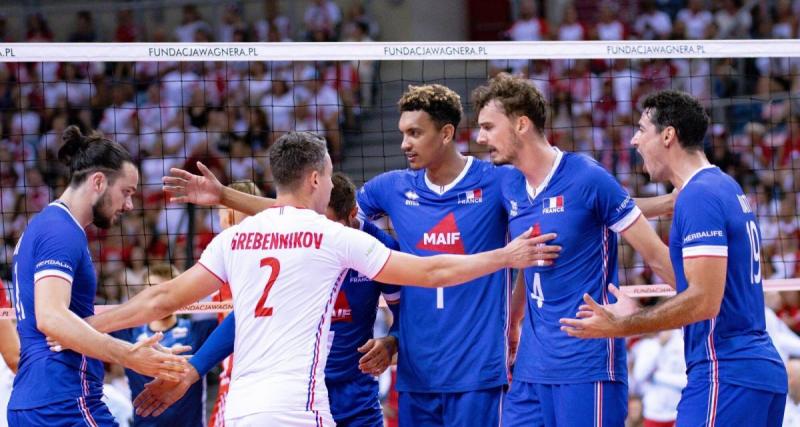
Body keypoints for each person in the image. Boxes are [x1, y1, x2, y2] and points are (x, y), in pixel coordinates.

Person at [160, 83, 673, 426]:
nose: (404, 142)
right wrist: (225, 196)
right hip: (416, 375)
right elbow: (306, 217)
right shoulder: (388, 190)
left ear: (446, 134)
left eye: (414, 133)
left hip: (481, 370)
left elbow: (585, 200)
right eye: (401, 132)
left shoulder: (499, 182)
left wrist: (663, 202)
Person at [79, 131, 560, 426]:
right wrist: (505, 256)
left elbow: (159, 298)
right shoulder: (331, 236)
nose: (331, 184)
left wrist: (79, 325)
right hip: (299, 410)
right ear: (314, 180)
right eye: (329, 177)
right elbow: (432, 270)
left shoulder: (237, 237)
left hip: (239, 411)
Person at [560, 90, 788, 426]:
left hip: (725, 373)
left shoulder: (700, 196)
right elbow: (699, 284)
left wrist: (622, 324)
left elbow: (704, 301)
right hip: (753, 372)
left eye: (641, 129)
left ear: (668, 135)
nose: (635, 140)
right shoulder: (723, 187)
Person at [471, 73, 675, 426]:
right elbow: (530, 261)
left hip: (586, 362)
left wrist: (710, 299)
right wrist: (513, 320)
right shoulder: (509, 184)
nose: (479, 137)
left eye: (489, 126)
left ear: (521, 124)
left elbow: (656, 254)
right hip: (532, 367)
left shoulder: (586, 177)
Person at [135, 172, 403, 427]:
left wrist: (392, 342)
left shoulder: (376, 247)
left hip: (356, 395)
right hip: (297, 395)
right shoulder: (300, 240)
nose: (324, 234)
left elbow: (406, 314)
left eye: (330, 225)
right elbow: (245, 316)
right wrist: (194, 368)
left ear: (352, 214)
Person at [7, 126, 188, 426]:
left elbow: (63, 320)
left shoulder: (45, 225)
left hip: (38, 400)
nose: (129, 205)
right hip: (64, 401)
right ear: (99, 182)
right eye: (126, 192)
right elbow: (50, 318)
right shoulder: (60, 230)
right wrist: (127, 355)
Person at [112, 263, 216, 427]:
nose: (159, 298)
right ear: (143, 295)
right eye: (153, 290)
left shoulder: (198, 330)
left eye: (165, 291)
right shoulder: (128, 333)